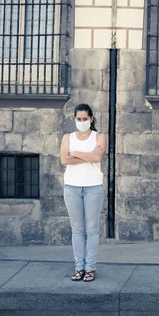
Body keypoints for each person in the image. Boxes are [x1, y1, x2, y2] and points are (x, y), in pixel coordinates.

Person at [60, 104, 107, 282]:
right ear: (74, 119)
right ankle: (79, 267)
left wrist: (77, 153)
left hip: (93, 187)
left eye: (85, 119)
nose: (82, 122)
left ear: (91, 119)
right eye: (79, 119)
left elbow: (97, 157)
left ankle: (90, 268)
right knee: (77, 230)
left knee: (92, 229)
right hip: (72, 187)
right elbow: (64, 159)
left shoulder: (99, 136)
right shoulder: (68, 137)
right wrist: (88, 155)